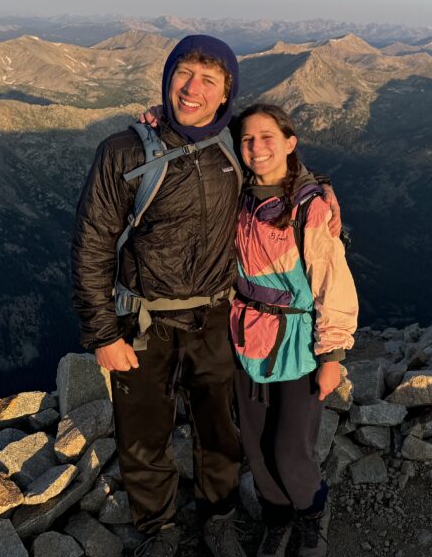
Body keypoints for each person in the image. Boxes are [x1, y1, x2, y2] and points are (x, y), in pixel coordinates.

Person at [72, 35, 278, 557]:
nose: (193, 89)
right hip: (142, 325)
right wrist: (102, 333)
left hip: (215, 317)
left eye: (209, 80)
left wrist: (321, 201)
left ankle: (219, 517)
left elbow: (280, 168)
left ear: (226, 93)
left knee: (219, 430)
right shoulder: (123, 151)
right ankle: (158, 529)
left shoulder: (234, 143)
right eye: (184, 73)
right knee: (143, 436)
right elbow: (92, 244)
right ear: (167, 77)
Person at [231, 103, 358, 557]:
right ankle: (277, 518)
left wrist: (332, 357)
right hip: (247, 339)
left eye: (267, 137)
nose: (256, 147)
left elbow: (331, 282)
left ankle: (311, 514)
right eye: (247, 139)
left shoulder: (310, 208)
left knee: (290, 449)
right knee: (256, 447)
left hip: (299, 345)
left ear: (290, 143)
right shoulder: (239, 192)